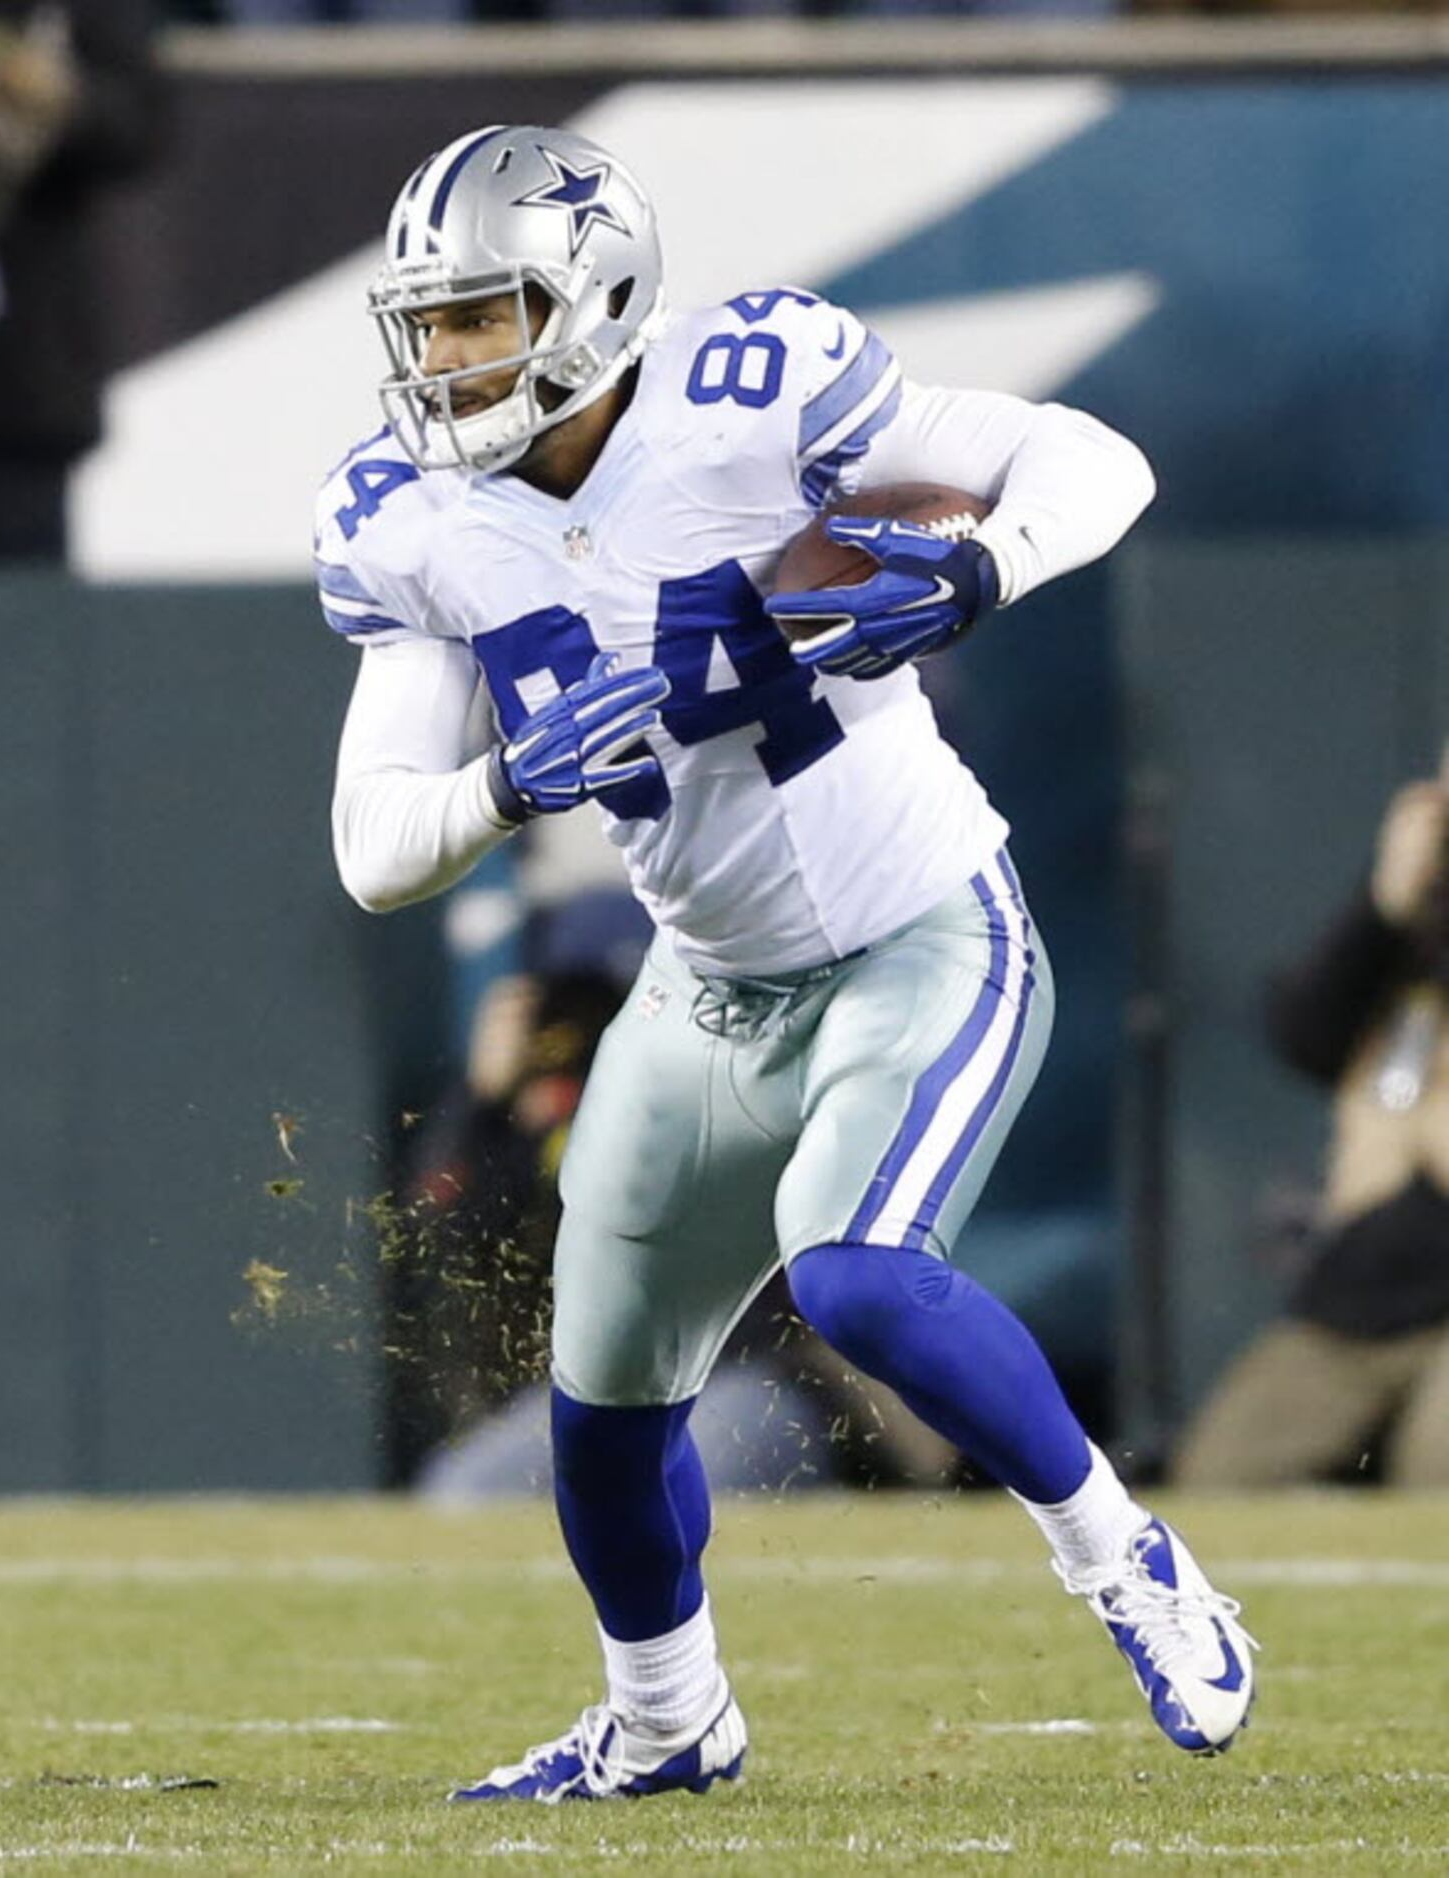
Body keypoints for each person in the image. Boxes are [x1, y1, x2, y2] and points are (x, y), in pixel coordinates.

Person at [318, 124, 1254, 1801]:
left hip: (917, 931)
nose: (450, 357)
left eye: (486, 314)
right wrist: (511, 778)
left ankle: (1128, 1559)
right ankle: (669, 1719)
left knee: (858, 1275)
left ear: (595, 301)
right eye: (433, 322)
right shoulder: (416, 518)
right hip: (705, 991)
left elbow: (1087, 459)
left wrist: (980, 564)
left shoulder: (752, 387)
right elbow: (375, 846)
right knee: (602, 1411)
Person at [1174, 756, 1449, 1487]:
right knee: (1218, 1479)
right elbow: (1305, 1032)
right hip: (1357, 1294)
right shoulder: (1406, 950)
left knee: (1438, 1473)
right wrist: (1385, 903)